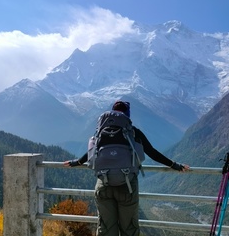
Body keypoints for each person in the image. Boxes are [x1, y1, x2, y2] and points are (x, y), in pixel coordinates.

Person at [64, 101, 190, 236]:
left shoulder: (101, 132)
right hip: (127, 186)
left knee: (106, 227)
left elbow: (90, 153)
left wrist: (76, 162)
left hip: (103, 185)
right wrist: (174, 165)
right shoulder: (133, 132)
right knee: (129, 228)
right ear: (127, 115)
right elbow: (152, 153)